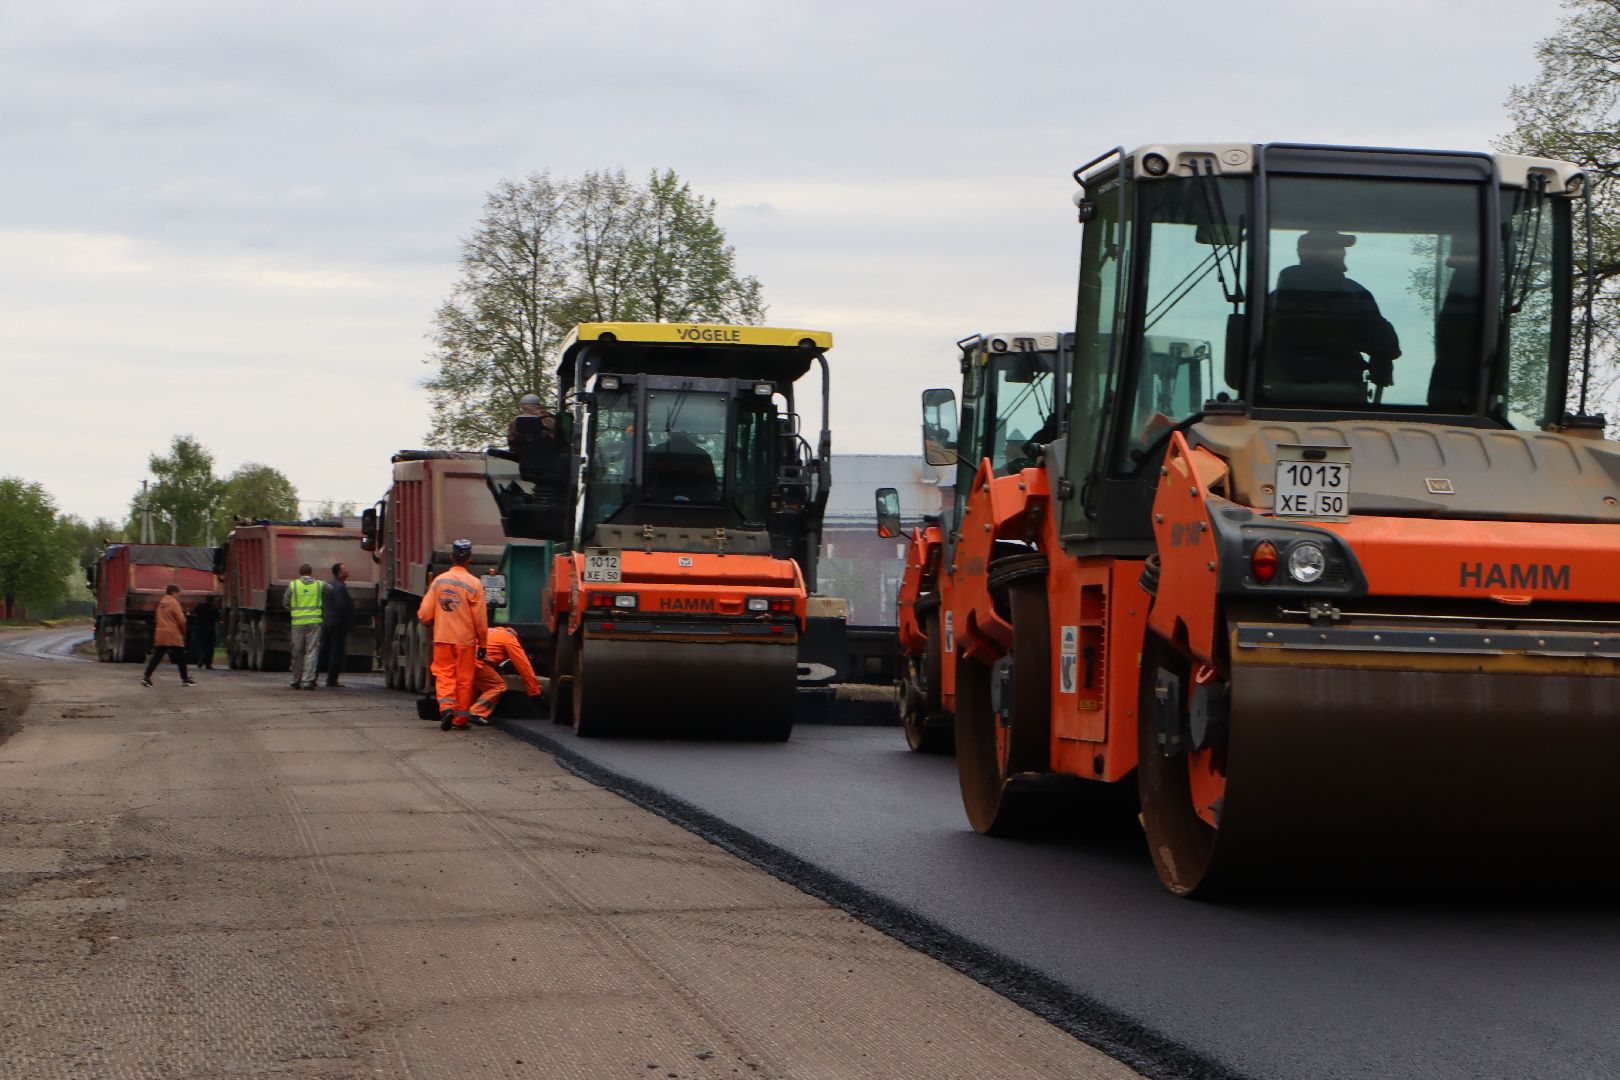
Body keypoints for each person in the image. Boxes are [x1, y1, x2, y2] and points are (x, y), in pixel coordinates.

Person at [1269, 230, 1402, 399]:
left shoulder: (1273, 300)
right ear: (1321, 253)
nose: (1344, 253)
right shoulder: (1354, 294)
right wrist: (1382, 360)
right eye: (1338, 247)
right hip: (1343, 398)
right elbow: (1385, 344)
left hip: (1279, 396)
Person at [417, 539, 488, 730]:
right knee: (464, 679)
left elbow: (424, 614)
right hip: (465, 640)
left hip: (442, 637)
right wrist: (482, 644)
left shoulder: (439, 581)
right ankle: (460, 718)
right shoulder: (474, 584)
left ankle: (446, 707)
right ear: (470, 559)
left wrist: (430, 620)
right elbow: (480, 620)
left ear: (451, 557)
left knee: (444, 674)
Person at [467, 624, 542, 725]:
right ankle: (476, 712)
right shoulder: (510, 639)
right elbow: (523, 666)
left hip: (464, 659)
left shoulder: (492, 632)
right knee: (497, 686)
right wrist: (534, 690)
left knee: (472, 686)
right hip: (478, 663)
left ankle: (461, 714)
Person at [142, 584, 196, 687]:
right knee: (181, 657)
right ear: (173, 592)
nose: (178, 596)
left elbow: (157, 619)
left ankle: (146, 677)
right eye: (178, 594)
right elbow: (181, 620)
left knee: (157, 657)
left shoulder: (161, 603)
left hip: (161, 633)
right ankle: (185, 679)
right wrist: (183, 632)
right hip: (173, 634)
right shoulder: (174, 603)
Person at [285, 562, 324, 690]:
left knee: (297, 651)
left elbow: (285, 602)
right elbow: (330, 590)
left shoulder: (293, 585)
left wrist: (293, 611)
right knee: (311, 651)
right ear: (311, 572)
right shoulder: (319, 584)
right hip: (314, 623)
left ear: (300, 572)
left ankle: (295, 680)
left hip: (297, 623)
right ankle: (308, 681)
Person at [318, 562, 354, 688]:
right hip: (337, 623)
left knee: (323, 649)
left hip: (327, 621)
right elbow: (342, 605)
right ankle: (332, 679)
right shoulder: (340, 587)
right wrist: (349, 620)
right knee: (336, 651)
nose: (347, 571)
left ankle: (312, 676)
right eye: (345, 570)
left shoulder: (328, 585)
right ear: (338, 573)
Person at [188, 595, 219, 669]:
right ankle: (208, 664)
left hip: (200, 630)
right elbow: (217, 618)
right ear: (213, 600)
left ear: (206, 599)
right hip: (210, 630)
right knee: (210, 648)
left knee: (200, 645)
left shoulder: (200, 606)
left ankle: (201, 655)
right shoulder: (214, 608)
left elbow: (193, 613)